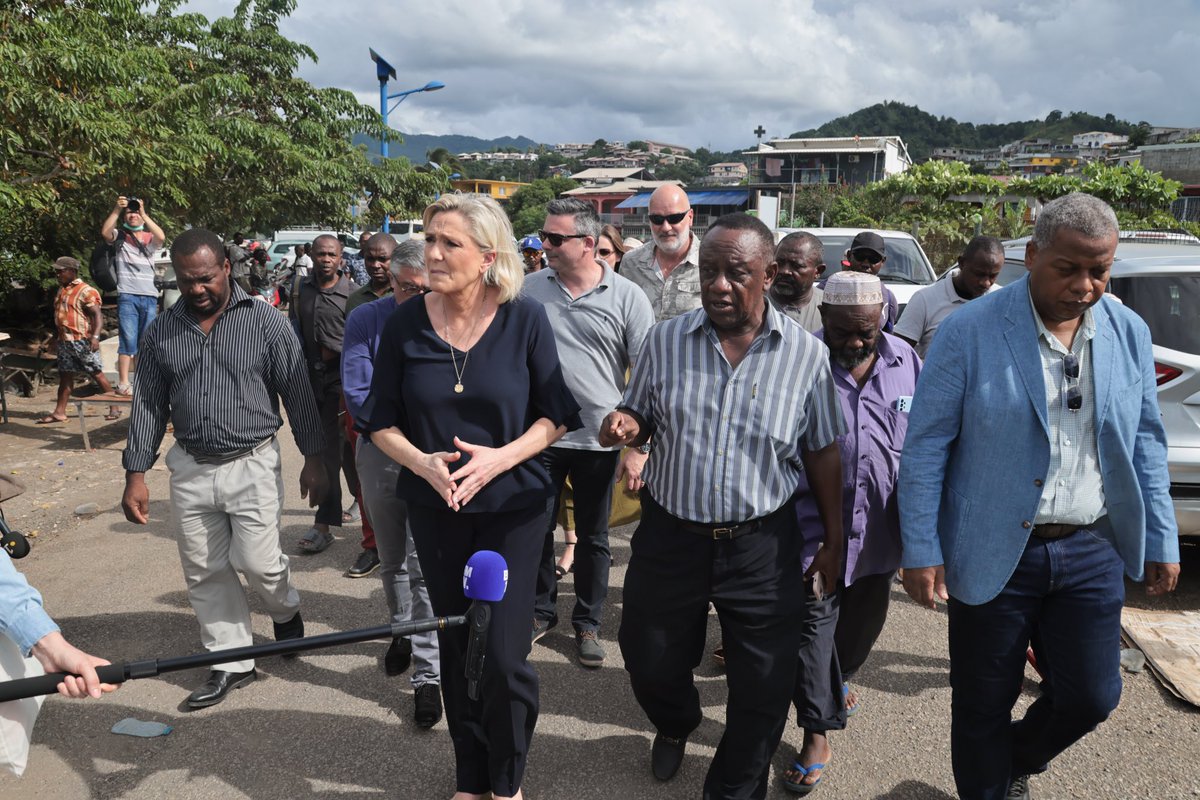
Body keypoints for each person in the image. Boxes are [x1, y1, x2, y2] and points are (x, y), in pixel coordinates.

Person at [898, 193, 1180, 800]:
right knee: (982, 700)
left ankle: (1012, 762)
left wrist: (1161, 535)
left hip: (1091, 545)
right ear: (1032, 256)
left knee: (1092, 696)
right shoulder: (969, 331)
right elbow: (925, 447)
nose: (1085, 285)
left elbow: (1147, 441)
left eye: (1099, 270)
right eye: (1068, 268)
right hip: (993, 544)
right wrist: (920, 547)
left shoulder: (1127, 331)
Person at [601, 213, 845, 799]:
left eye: (735, 273)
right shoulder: (665, 340)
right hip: (671, 536)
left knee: (763, 685)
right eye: (710, 271)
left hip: (763, 542)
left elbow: (823, 453)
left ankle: (734, 788)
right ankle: (678, 722)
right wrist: (627, 424)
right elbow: (642, 415)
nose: (718, 285)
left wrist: (835, 541)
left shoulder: (807, 357)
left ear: (767, 274)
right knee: (647, 656)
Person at [364, 193, 581, 800]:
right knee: (459, 645)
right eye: (430, 239)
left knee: (505, 656)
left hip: (513, 509)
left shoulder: (524, 318)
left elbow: (556, 415)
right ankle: (471, 778)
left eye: (448, 243)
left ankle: (506, 782)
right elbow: (379, 420)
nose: (431, 253)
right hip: (438, 511)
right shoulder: (404, 320)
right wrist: (421, 463)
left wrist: (501, 458)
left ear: (488, 256)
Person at [121, 228, 328, 709]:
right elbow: (149, 404)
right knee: (205, 570)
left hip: (251, 463)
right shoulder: (162, 332)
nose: (196, 289)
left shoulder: (266, 323)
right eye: (187, 280)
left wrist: (315, 460)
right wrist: (136, 474)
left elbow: (297, 393)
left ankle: (285, 610)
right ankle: (233, 661)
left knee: (258, 563)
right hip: (191, 468)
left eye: (206, 278)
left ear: (226, 269)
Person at [783, 272, 921, 795]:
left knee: (857, 635)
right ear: (824, 318)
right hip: (812, 532)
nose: (855, 342)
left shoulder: (907, 362)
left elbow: (926, 441)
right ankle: (817, 733)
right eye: (842, 331)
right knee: (813, 633)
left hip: (882, 535)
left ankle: (838, 682)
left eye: (865, 331)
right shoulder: (801, 361)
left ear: (882, 317)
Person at [526, 199, 654, 667]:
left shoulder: (626, 296)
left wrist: (637, 445)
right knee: (535, 529)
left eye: (556, 239)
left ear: (587, 244)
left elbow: (645, 372)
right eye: (544, 236)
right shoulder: (529, 290)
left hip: (599, 442)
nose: (547, 246)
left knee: (595, 537)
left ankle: (588, 621)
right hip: (539, 437)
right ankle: (540, 614)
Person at [342, 238, 443, 727]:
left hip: (435, 457)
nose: (417, 299)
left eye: (426, 289)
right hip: (382, 452)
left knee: (427, 565)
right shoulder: (367, 318)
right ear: (393, 283)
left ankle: (428, 675)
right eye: (407, 289)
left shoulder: (449, 318)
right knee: (393, 557)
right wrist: (403, 440)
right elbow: (359, 392)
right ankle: (401, 628)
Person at [293, 234, 357, 555]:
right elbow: (295, 329)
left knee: (337, 452)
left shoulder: (353, 295)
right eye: (321, 254)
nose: (326, 259)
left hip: (342, 383)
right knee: (335, 452)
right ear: (311, 256)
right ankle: (347, 508)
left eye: (332, 254)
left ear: (341, 258)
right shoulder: (301, 289)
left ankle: (325, 523)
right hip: (311, 380)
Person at [341, 232, 399, 579]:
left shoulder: (417, 293)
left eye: (383, 259)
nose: (376, 266)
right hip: (364, 403)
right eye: (370, 259)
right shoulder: (358, 302)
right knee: (369, 480)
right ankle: (372, 545)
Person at [895, 235, 1004, 357]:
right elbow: (897, 353)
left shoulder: (1002, 300)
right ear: (962, 263)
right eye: (979, 274)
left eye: (993, 276)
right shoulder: (924, 299)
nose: (986, 283)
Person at [37, 257, 117, 425]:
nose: (57, 273)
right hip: (65, 341)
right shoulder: (62, 290)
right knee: (65, 376)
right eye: (56, 271)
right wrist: (55, 338)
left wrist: (95, 337)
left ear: (72, 271)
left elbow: (97, 315)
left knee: (96, 373)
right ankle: (59, 412)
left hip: (81, 340)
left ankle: (114, 406)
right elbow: (61, 316)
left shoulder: (86, 290)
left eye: (61, 270)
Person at [99, 194, 165, 398]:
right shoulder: (120, 236)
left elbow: (161, 237)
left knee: (146, 342)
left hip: (149, 295)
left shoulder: (149, 239)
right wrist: (118, 209)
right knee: (128, 340)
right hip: (128, 294)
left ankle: (144, 380)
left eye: (135, 212)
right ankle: (124, 383)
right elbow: (105, 232)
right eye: (130, 212)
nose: (133, 215)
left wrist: (143, 212)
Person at [621, 184, 702, 322]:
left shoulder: (711, 262)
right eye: (657, 219)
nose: (665, 227)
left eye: (674, 218)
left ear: (690, 217)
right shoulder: (631, 263)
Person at [840, 232, 898, 332]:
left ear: (882, 261)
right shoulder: (828, 289)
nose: (866, 264)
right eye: (860, 256)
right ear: (849, 256)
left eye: (873, 259)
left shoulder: (888, 298)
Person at [770, 231, 826, 333]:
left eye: (796, 266)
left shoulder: (829, 308)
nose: (784, 271)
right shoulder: (753, 301)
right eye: (780, 263)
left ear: (818, 271)